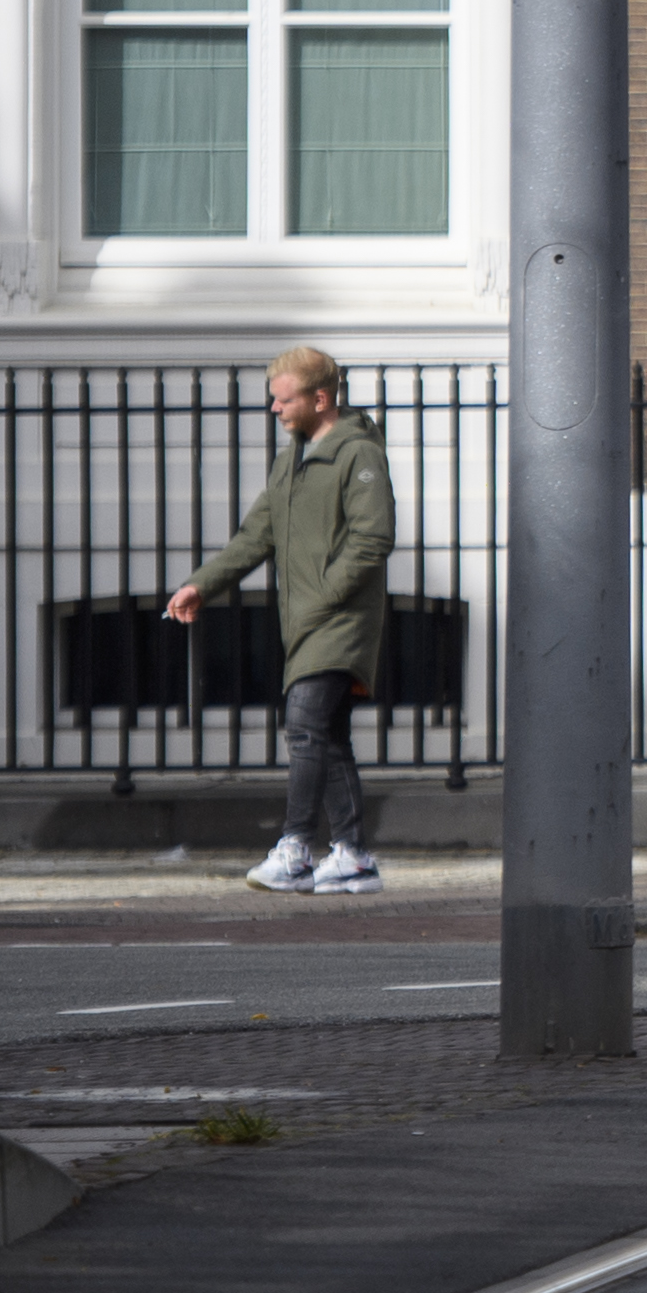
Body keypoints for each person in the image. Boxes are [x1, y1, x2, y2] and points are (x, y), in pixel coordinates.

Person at [173, 348, 399, 896]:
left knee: (303, 724)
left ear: (320, 398)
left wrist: (323, 596)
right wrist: (203, 583)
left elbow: (374, 538)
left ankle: (296, 848)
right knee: (328, 736)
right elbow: (256, 536)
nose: (274, 408)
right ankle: (351, 856)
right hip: (307, 620)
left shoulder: (357, 454)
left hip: (338, 619)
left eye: (284, 398)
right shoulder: (290, 460)